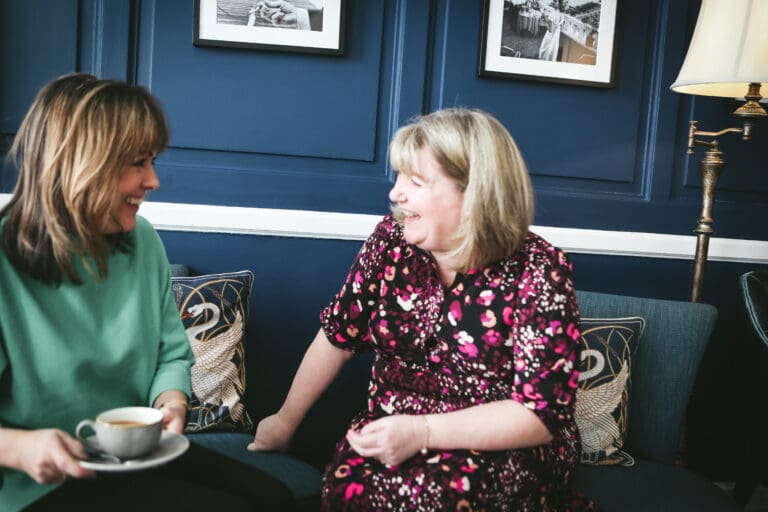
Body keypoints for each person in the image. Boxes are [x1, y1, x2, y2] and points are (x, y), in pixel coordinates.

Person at [249, 108, 599, 510]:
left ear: (474, 194)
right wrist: (285, 420)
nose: (396, 194)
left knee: (441, 496)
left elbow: (539, 416)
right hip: (391, 430)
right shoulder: (390, 241)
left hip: (503, 444)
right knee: (347, 490)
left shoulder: (538, 269)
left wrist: (423, 432)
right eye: (399, 178)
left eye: (415, 181)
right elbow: (338, 335)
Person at [0, 73, 293, 511]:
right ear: (82, 162)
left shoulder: (143, 240)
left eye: (152, 161)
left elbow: (170, 354)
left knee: (276, 498)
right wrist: (19, 448)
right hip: (40, 483)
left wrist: (171, 402)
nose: (153, 180)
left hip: (133, 455)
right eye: (138, 163)